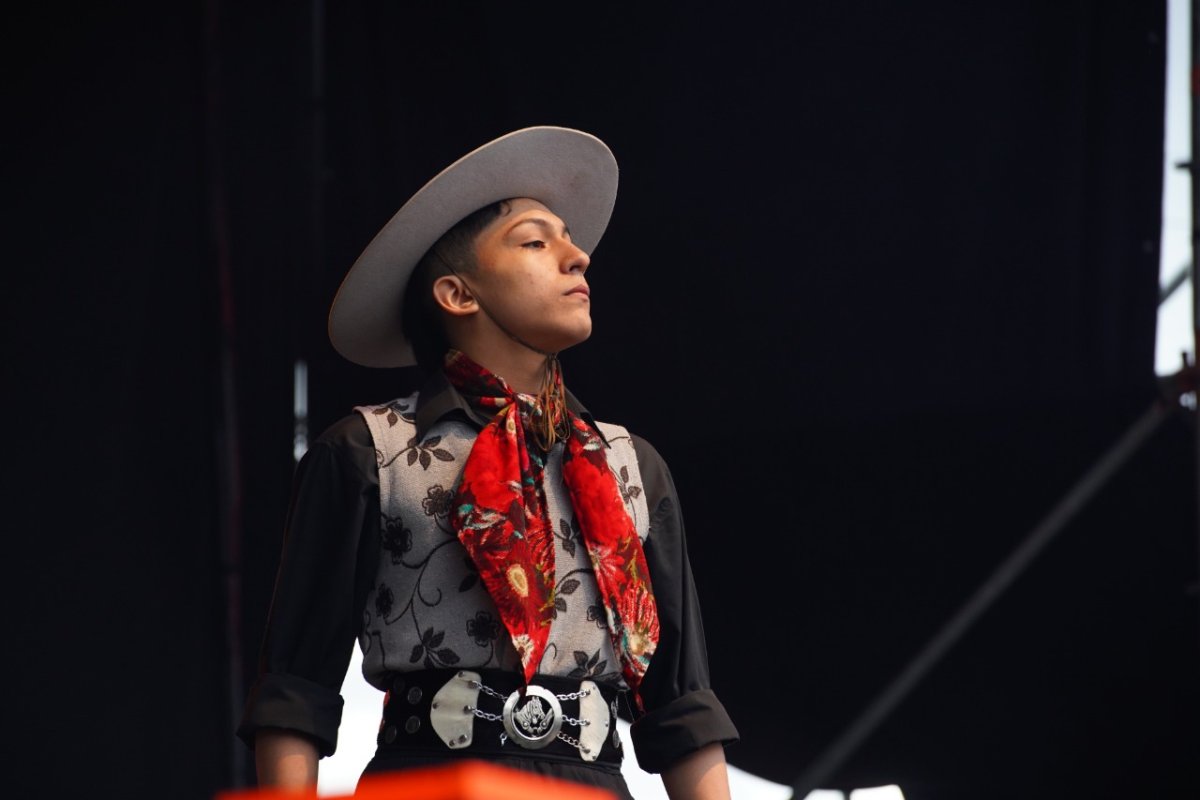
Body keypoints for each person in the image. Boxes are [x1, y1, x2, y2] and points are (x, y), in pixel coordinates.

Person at [237, 126, 739, 799]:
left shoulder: (631, 466)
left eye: (570, 241)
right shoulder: (366, 451)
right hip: (429, 782)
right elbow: (296, 689)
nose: (579, 258)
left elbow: (680, 704)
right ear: (457, 294)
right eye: (535, 242)